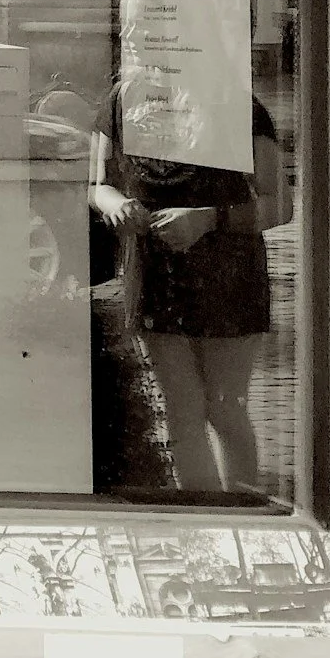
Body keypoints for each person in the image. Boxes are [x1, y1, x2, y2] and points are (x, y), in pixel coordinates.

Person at [96, 98, 286, 493]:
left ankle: (240, 509)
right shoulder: (121, 100)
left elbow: (279, 205)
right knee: (181, 410)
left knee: (224, 407)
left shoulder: (239, 104)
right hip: (155, 276)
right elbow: (99, 184)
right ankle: (203, 510)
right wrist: (115, 204)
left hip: (228, 278)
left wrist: (209, 218)